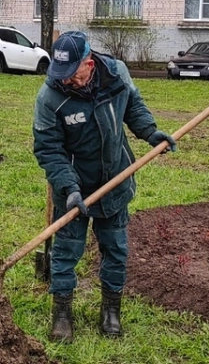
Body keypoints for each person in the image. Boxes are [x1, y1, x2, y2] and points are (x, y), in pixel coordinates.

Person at [32, 31, 175, 342]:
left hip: (115, 181)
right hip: (72, 188)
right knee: (66, 252)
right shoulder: (49, 98)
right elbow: (48, 149)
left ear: (89, 62)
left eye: (72, 74)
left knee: (116, 249)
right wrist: (69, 189)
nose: (65, 81)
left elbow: (133, 106)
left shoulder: (116, 74)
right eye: (60, 75)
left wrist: (150, 133)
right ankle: (62, 314)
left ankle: (110, 311)